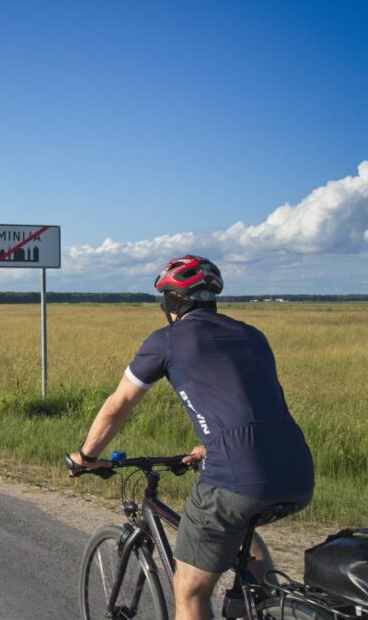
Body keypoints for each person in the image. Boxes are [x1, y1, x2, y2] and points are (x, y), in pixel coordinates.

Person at [67, 255, 314, 620]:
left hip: (236, 476)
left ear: (170, 301)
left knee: (189, 588)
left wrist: (86, 456)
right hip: (297, 470)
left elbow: (118, 405)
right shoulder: (252, 335)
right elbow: (252, 404)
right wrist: (211, 445)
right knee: (242, 525)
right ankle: (263, 601)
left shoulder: (166, 341)